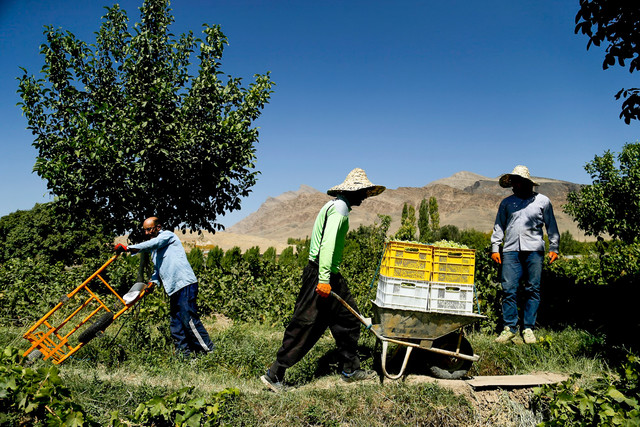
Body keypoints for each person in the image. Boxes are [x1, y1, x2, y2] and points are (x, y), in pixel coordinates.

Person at [260, 168, 385, 392]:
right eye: (364, 192)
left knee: (347, 318)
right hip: (321, 273)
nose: (365, 197)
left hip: (326, 273)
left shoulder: (337, 206)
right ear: (354, 191)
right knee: (306, 323)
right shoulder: (339, 210)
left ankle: (350, 369)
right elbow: (327, 245)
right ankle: (274, 374)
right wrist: (324, 279)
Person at [114, 217, 214, 357]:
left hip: (184, 283)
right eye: (145, 230)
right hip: (173, 289)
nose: (147, 232)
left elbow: (153, 243)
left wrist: (128, 248)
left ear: (158, 227)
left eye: (149, 229)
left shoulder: (167, 236)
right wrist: (152, 283)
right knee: (176, 324)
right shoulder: (155, 252)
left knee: (189, 319)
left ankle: (209, 351)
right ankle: (184, 356)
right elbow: (158, 270)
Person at [490, 165, 559, 345]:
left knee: (532, 289)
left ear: (527, 183)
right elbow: (499, 226)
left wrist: (554, 248)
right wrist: (495, 248)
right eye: (512, 182)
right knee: (509, 289)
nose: (514, 185)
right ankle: (509, 328)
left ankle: (528, 328)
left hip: (534, 251)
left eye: (517, 182)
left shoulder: (543, 201)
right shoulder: (506, 203)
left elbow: (551, 226)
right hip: (511, 250)